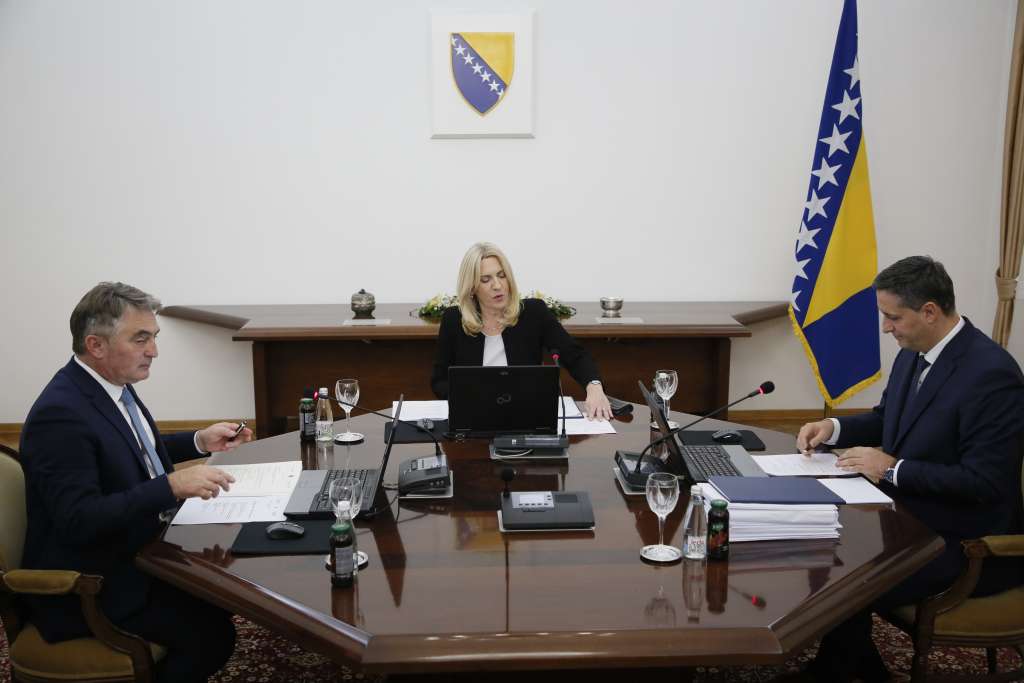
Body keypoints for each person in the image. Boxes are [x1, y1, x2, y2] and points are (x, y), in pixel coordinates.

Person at [794, 256, 1024, 682]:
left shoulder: (992, 375)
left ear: (930, 311)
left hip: (963, 542)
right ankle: (852, 665)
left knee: (844, 579)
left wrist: (892, 469)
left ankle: (839, 670)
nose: (886, 328)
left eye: (893, 317)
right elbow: (888, 419)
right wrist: (833, 428)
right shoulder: (914, 353)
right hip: (907, 519)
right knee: (817, 547)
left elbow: (984, 482)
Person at [20, 282, 253, 683]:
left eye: (154, 337)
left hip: (137, 548)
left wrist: (198, 440)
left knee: (225, 591)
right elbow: (78, 518)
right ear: (96, 345)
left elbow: (128, 448)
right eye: (141, 339)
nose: (154, 351)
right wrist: (171, 486)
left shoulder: (108, 386)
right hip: (95, 584)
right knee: (212, 636)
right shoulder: (59, 415)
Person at [431, 242, 612, 420]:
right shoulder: (454, 320)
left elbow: (575, 355)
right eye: (486, 279)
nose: (497, 285)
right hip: (476, 418)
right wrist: (467, 400)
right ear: (471, 287)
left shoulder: (533, 313)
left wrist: (594, 386)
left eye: (502, 276)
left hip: (528, 415)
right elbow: (439, 381)